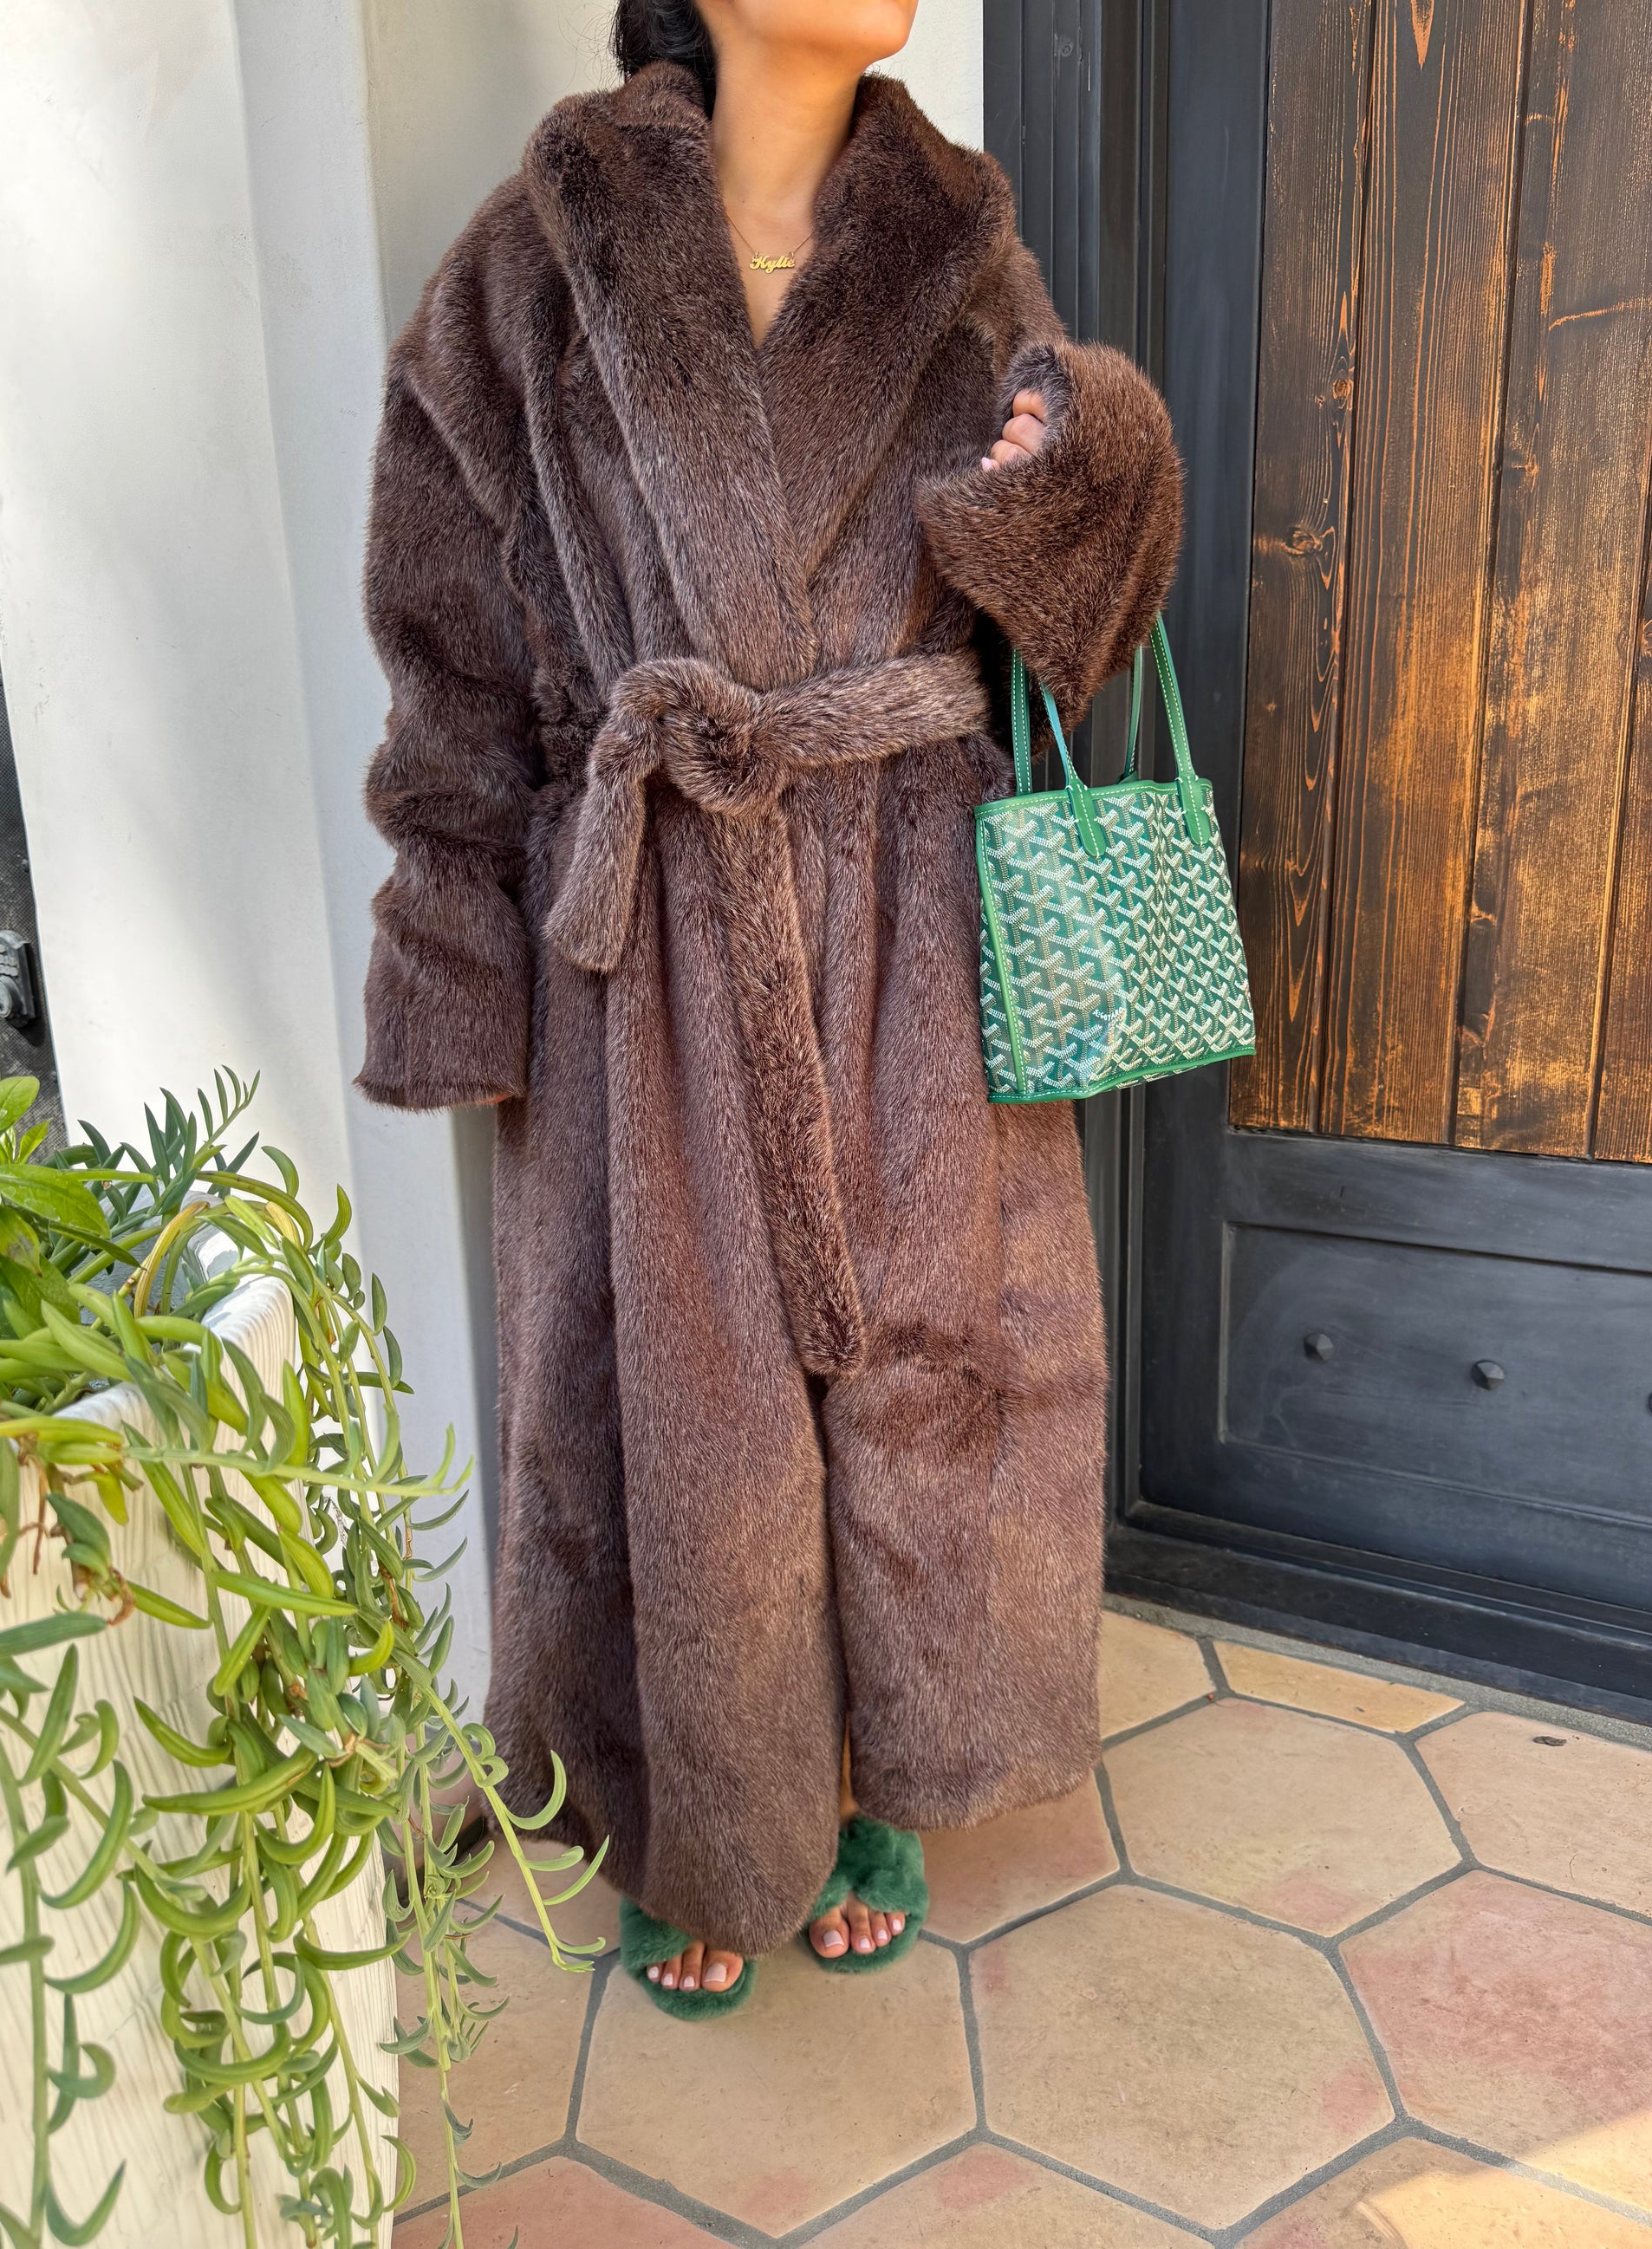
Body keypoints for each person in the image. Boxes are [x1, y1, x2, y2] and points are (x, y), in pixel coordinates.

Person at [358, 0, 1181, 2015]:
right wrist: (459, 960)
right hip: (660, 932)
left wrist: (1081, 459)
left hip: (908, 891)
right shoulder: (534, 258)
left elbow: (1068, 625)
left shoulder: (960, 245)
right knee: (682, 1399)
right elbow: (449, 658)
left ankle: (886, 1761)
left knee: (920, 1356)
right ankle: (699, 1807)